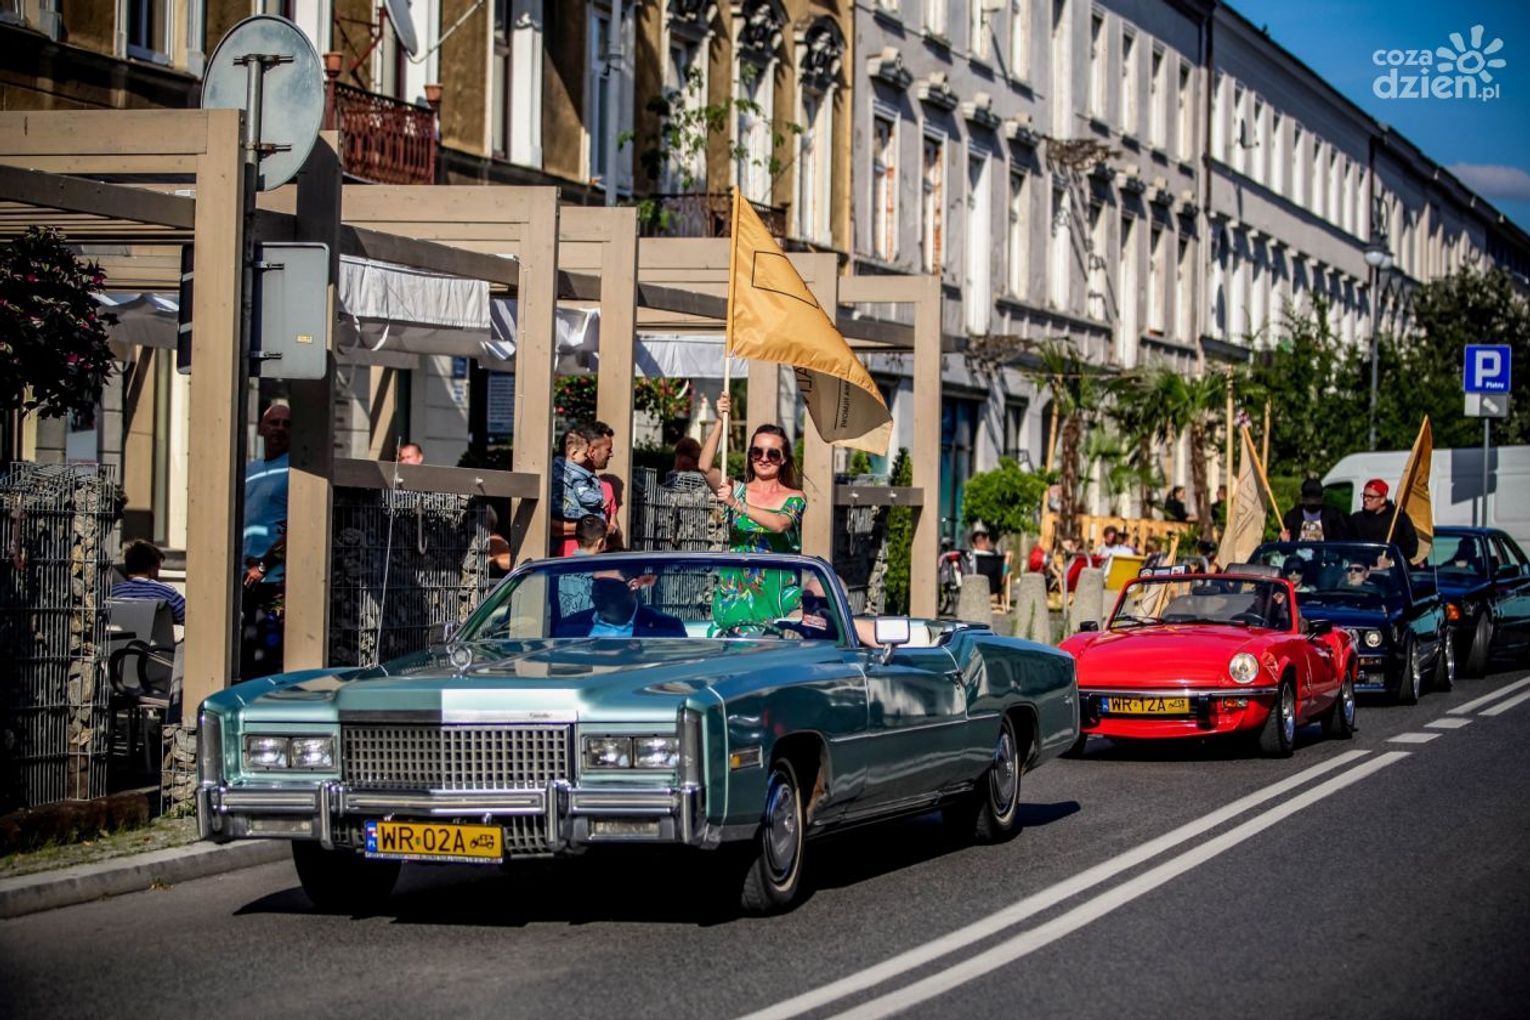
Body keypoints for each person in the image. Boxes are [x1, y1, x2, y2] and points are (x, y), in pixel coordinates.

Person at [697, 394, 808, 630]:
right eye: (757, 452)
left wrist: (738, 505)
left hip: (776, 598)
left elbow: (780, 524)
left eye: (773, 454)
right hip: (735, 596)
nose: (764, 459)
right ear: (750, 456)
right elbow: (704, 467)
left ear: (783, 459)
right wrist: (721, 420)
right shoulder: (736, 490)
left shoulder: (795, 497)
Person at [242, 402, 290, 678]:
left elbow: (296, 530)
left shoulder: (295, 471)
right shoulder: (250, 471)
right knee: (247, 654)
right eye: (274, 422)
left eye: (286, 424)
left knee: (271, 654)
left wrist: (264, 565)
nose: (279, 429)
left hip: (276, 583)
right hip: (246, 579)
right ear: (261, 428)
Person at [550, 422, 620, 556]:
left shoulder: (606, 487)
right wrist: (595, 527)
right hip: (564, 561)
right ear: (591, 451)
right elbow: (549, 526)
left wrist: (610, 529)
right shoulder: (557, 482)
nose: (611, 454)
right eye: (608, 449)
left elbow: (614, 529)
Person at [555, 574, 687, 638]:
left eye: (607, 584)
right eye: (595, 582)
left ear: (633, 585)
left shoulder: (667, 629)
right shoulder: (569, 627)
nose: (598, 590)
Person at [112, 540, 186, 625]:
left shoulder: (114, 593)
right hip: (158, 634)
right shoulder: (166, 592)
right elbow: (189, 617)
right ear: (152, 569)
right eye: (158, 568)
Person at [1347, 478, 1419, 562]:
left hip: (1391, 568)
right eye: (1364, 495)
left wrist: (1391, 561)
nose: (1365, 499)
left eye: (1370, 497)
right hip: (1363, 566)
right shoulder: (1356, 519)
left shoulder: (1398, 518)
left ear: (1382, 499)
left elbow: (1411, 548)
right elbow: (1348, 546)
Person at [557, 514, 608, 618]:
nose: (606, 546)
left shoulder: (558, 572)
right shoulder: (600, 576)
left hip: (564, 627)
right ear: (600, 542)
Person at [1280, 477, 1348, 543]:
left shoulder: (1333, 517)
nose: (1313, 506)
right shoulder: (1292, 518)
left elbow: (1341, 543)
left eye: (1316, 502)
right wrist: (1284, 541)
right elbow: (1284, 547)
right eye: (1309, 502)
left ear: (1322, 498)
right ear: (1302, 498)